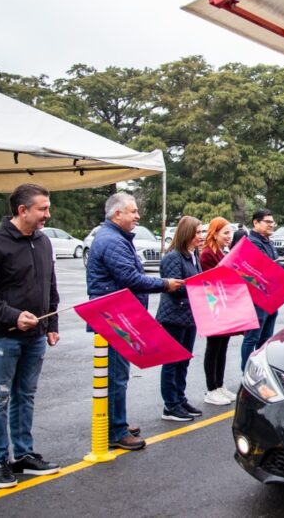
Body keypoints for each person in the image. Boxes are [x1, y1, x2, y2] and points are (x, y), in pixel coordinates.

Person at [0, 184, 61, 488]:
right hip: (2, 337)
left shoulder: (43, 241)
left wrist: (52, 324)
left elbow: (49, 285)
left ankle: (23, 455)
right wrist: (12, 315)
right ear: (22, 210)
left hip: (36, 335)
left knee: (26, 395)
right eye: (42, 209)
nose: (48, 214)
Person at [86, 192, 184, 450]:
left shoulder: (116, 238)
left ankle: (116, 420)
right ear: (117, 214)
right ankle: (115, 430)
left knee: (118, 374)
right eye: (133, 212)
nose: (137, 216)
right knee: (116, 375)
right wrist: (165, 284)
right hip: (113, 316)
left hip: (119, 313)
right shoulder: (112, 241)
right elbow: (131, 278)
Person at [156, 216, 204, 423]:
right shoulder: (173, 257)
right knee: (171, 362)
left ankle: (180, 398)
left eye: (202, 232)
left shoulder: (194, 256)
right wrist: (199, 285)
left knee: (183, 360)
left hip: (189, 316)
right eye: (198, 232)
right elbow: (174, 287)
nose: (201, 236)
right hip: (174, 317)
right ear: (187, 234)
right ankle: (170, 404)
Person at [241, 208, 284, 371]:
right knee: (252, 338)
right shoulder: (253, 242)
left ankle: (260, 371)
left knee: (266, 338)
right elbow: (266, 265)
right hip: (257, 297)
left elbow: (274, 262)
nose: (271, 225)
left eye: (272, 222)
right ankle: (246, 371)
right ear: (255, 222)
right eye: (268, 222)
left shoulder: (267, 241)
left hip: (270, 296)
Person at [200, 217, 237, 406]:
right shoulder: (207, 254)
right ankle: (211, 388)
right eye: (225, 233)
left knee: (222, 347)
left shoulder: (223, 253)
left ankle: (219, 384)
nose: (229, 237)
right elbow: (211, 280)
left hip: (225, 306)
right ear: (214, 234)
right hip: (214, 307)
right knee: (213, 348)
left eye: (230, 233)